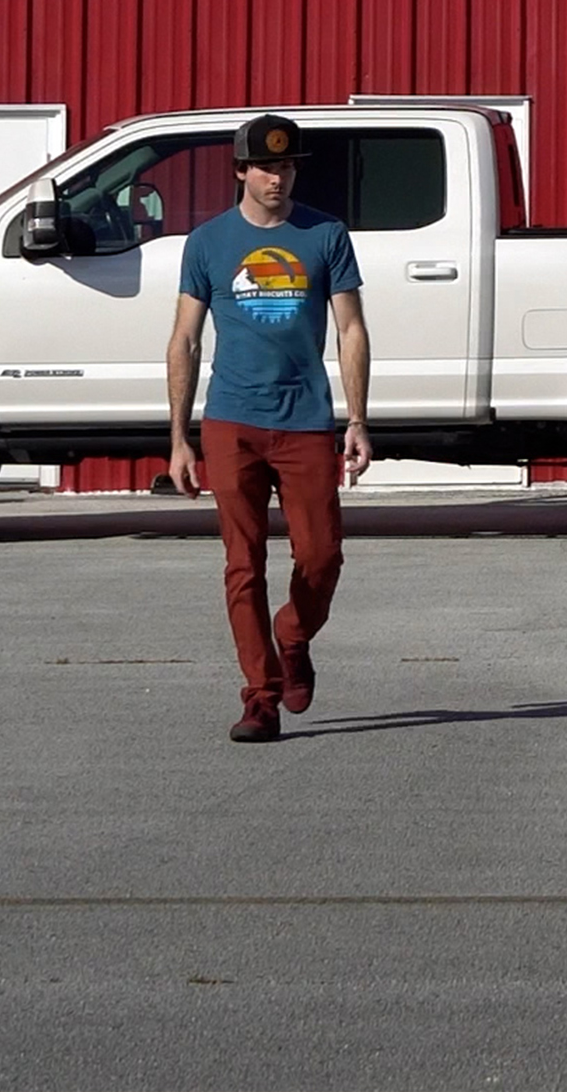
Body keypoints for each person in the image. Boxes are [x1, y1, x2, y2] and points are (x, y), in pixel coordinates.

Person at [166, 113, 371, 743]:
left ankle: (295, 634)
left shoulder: (325, 235)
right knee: (242, 563)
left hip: (306, 421)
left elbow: (351, 329)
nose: (276, 178)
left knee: (320, 555)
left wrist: (357, 420)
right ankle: (260, 697)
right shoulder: (207, 244)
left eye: (285, 167)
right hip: (232, 422)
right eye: (264, 167)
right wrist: (179, 438)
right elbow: (185, 340)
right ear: (240, 171)